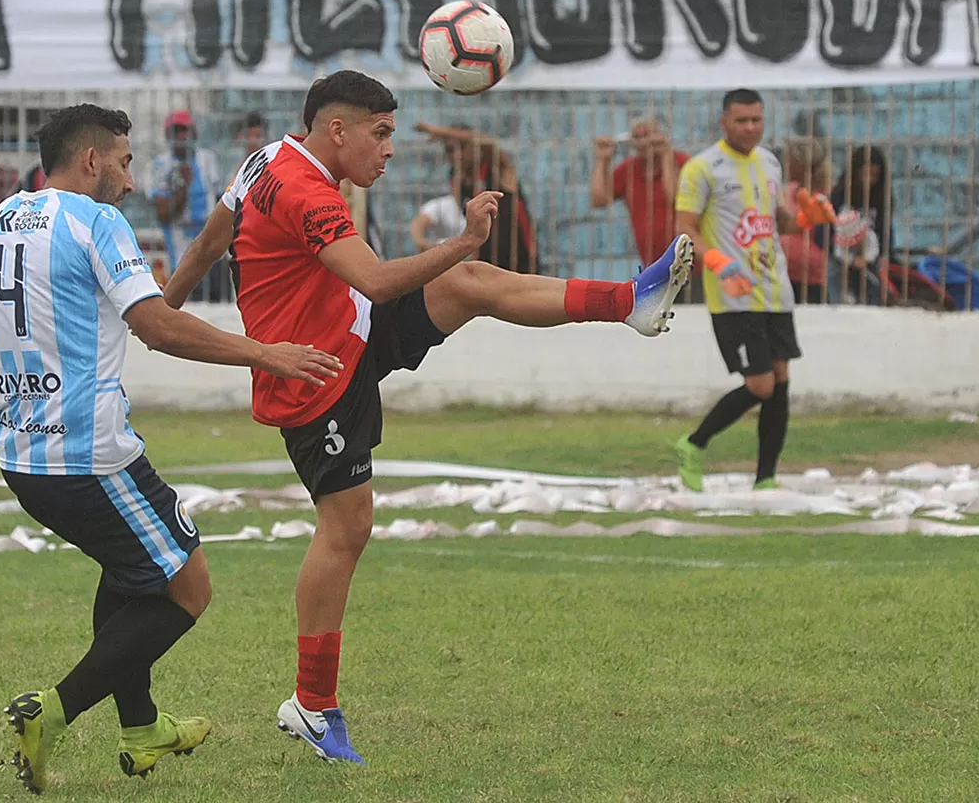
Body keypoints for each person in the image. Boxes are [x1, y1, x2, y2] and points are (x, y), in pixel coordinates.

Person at [163, 70, 693, 764]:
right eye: (380, 135)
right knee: (347, 527)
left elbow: (208, 243)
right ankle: (313, 706)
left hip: (345, 331)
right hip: (313, 375)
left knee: (467, 288)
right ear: (337, 131)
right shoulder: (303, 190)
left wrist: (156, 311)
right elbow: (379, 279)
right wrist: (465, 237)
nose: (389, 150)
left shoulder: (269, 159)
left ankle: (631, 301)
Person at [0, 103, 342, 794]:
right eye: (125, 159)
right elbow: (158, 328)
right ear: (91, 161)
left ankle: (142, 729)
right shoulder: (96, 221)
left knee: (130, 573)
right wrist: (268, 355)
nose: (131, 179)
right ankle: (50, 711)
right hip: (88, 453)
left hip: (21, 449)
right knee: (187, 587)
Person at [672, 89, 836, 493]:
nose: (750, 128)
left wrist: (806, 218)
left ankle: (766, 477)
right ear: (724, 120)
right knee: (759, 384)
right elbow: (684, 229)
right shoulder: (702, 168)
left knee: (780, 377)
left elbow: (777, 220)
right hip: (733, 292)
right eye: (742, 120)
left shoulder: (768, 162)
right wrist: (719, 263)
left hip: (774, 288)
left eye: (757, 120)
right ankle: (693, 444)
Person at [414, 120, 538, 273]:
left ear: (474, 147)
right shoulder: (456, 180)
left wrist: (440, 131)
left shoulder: (497, 169)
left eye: (463, 147)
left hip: (519, 260)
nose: (457, 154)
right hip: (485, 263)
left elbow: (485, 140)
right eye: (450, 149)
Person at [590, 115, 690, 270]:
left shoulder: (682, 162)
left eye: (648, 135)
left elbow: (675, 198)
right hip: (652, 265)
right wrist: (602, 160)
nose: (644, 142)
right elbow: (599, 200)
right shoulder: (628, 170)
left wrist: (665, 155)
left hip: (688, 261)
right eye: (637, 137)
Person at [150, 110, 224, 299]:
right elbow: (163, 214)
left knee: (218, 296)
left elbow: (220, 200)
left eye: (185, 131)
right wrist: (183, 187)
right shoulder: (160, 165)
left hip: (212, 245)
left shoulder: (207, 160)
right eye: (176, 132)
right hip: (181, 251)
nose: (182, 137)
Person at [826, 146, 895, 306]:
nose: (868, 180)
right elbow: (826, 233)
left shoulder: (882, 200)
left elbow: (885, 233)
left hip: (870, 259)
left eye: (874, 176)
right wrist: (847, 258)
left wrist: (873, 257)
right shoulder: (838, 197)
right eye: (865, 174)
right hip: (840, 258)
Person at [780, 138, 831, 305]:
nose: (785, 164)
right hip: (783, 272)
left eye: (789, 160)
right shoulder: (790, 190)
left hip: (810, 276)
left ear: (802, 164)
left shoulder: (822, 196)